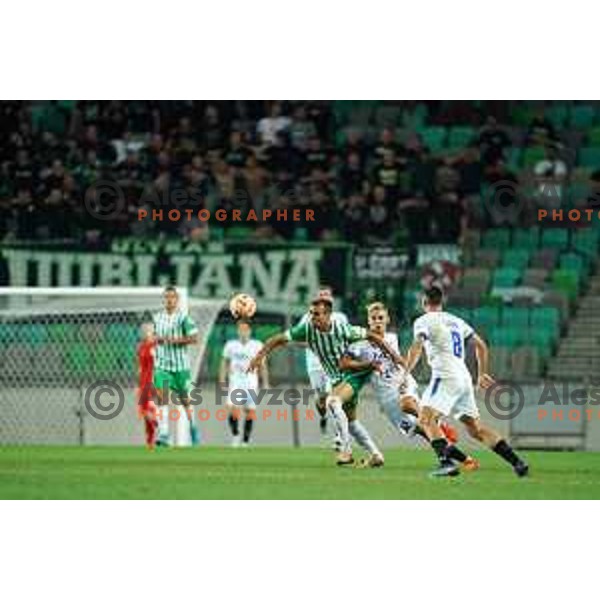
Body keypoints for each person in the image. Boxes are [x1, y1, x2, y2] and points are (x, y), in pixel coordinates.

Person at [247, 297, 403, 466]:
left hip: (352, 374)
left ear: (328, 315)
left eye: (317, 314)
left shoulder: (342, 329)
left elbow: (374, 337)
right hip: (337, 379)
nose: (313, 318)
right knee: (351, 423)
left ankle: (346, 451)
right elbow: (278, 339)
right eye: (311, 314)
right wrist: (258, 356)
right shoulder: (306, 329)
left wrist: (395, 356)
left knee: (333, 402)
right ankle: (376, 454)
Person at [404, 286, 529, 478]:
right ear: (441, 302)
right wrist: (482, 374)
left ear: (424, 302)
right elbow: (480, 345)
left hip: (445, 376)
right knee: (476, 429)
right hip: (464, 379)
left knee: (425, 418)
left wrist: (404, 372)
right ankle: (517, 462)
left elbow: (417, 347)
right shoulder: (456, 321)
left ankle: (446, 463)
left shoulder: (423, 320)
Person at [341, 302, 466, 451]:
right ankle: (456, 456)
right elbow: (344, 364)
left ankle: (434, 421)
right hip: (387, 398)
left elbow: (398, 358)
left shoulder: (392, 337)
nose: (377, 322)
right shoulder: (359, 345)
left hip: (402, 382)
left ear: (387, 320)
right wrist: (364, 365)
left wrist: (406, 373)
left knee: (408, 405)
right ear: (368, 321)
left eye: (381, 318)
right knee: (420, 430)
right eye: (373, 318)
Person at [296, 286, 348, 448]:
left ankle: (338, 436)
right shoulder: (307, 318)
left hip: (334, 365)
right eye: (321, 296)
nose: (324, 299)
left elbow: (347, 337)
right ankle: (323, 417)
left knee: (333, 398)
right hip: (314, 365)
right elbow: (297, 339)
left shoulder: (340, 317)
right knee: (321, 399)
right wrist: (314, 343)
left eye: (327, 296)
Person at [152, 286, 200, 447]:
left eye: (172, 297)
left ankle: (193, 428)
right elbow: (153, 337)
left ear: (177, 299)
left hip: (180, 367)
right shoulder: (157, 317)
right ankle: (164, 433)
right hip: (162, 366)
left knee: (186, 401)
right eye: (166, 297)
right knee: (161, 396)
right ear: (163, 299)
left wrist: (175, 341)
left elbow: (194, 338)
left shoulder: (183, 318)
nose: (169, 300)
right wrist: (155, 339)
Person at [219, 320, 268, 447]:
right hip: (236, 381)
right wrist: (222, 379)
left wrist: (266, 382)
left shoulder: (257, 345)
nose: (243, 332)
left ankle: (245, 441)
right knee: (233, 410)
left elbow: (262, 365)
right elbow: (224, 362)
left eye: (245, 329)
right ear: (237, 331)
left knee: (250, 411)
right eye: (241, 329)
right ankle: (235, 435)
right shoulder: (231, 345)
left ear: (250, 331)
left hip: (251, 382)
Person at [137, 322, 158, 450]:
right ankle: (150, 440)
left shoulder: (155, 346)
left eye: (148, 330)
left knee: (145, 410)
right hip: (143, 381)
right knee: (144, 411)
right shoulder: (141, 347)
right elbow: (140, 367)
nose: (145, 332)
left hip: (152, 381)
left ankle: (155, 418)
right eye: (144, 330)